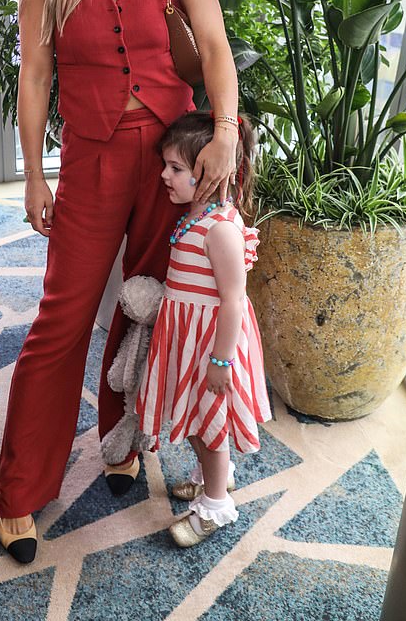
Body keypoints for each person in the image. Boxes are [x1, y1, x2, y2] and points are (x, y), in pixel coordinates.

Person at [0, 0, 239, 564]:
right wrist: (34, 172)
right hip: (93, 159)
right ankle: (18, 490)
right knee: (62, 318)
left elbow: (218, 49)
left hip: (173, 161)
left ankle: (121, 436)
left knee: (149, 305)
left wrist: (225, 131)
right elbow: (35, 76)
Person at [137, 111, 272, 547]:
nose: (164, 176)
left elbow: (234, 299)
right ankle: (214, 475)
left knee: (210, 426)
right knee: (194, 417)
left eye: (175, 169)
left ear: (209, 173)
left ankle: (215, 504)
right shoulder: (194, 218)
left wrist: (220, 361)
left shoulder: (221, 229)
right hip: (188, 341)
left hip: (212, 347)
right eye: (167, 166)